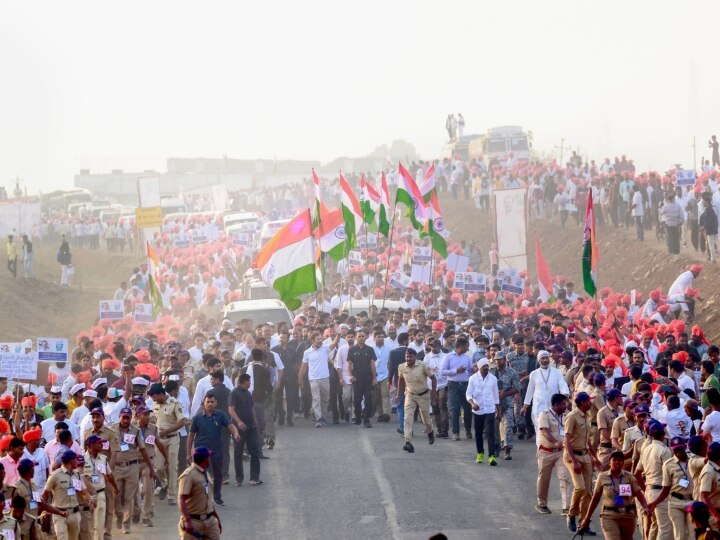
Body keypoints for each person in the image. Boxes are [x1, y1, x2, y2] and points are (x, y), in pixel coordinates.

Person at [580, 450, 649, 539]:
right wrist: (586, 518)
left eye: (620, 460)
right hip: (609, 516)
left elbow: (639, 494)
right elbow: (595, 498)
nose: (617, 462)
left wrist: (645, 507)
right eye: (614, 460)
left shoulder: (629, 477)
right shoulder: (602, 477)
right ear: (609, 462)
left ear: (623, 463)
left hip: (628, 516)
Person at [187, 392, 240, 505]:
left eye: (212, 402)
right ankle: (203, 497)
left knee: (218, 474)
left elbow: (230, 426)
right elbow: (191, 436)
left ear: (216, 403)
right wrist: (188, 453)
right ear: (203, 403)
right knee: (202, 475)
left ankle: (217, 496)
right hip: (201, 450)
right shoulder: (197, 418)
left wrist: (235, 433)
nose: (210, 404)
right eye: (208, 402)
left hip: (217, 449)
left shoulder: (220, 415)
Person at [111, 406, 156, 534]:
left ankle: (127, 523)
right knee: (117, 495)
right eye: (123, 417)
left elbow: (143, 449)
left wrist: (151, 468)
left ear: (131, 418)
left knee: (129, 497)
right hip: (117, 467)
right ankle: (119, 514)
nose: (125, 420)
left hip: (132, 467)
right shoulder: (112, 429)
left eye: (128, 418)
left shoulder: (136, 431)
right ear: (119, 417)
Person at [564, 392, 601, 533]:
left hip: (585, 456)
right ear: (582, 403)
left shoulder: (586, 416)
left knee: (588, 493)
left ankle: (583, 524)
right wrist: (574, 461)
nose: (590, 403)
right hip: (573, 456)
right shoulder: (572, 417)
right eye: (588, 401)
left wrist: (595, 458)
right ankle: (572, 514)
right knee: (579, 487)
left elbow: (587, 441)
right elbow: (566, 440)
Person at [646, 436, 694, 540]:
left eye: (680, 449)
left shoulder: (692, 461)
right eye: (675, 450)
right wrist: (655, 502)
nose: (678, 452)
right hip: (676, 503)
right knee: (679, 536)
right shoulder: (668, 465)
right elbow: (666, 488)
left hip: (691, 501)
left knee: (692, 535)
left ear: (685, 447)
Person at [149, 383, 188, 506]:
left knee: (172, 466)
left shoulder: (175, 404)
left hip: (172, 438)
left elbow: (182, 421)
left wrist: (168, 431)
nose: (154, 400)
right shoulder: (154, 405)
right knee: (159, 467)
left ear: (161, 394)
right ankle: (164, 483)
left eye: (155, 397)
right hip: (159, 440)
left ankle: (171, 495)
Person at [535, 394, 572, 515]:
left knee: (565, 477)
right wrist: (555, 442)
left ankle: (566, 507)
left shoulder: (566, 415)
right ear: (555, 405)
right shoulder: (544, 415)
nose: (565, 406)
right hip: (546, 452)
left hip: (561, 452)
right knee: (544, 479)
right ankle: (542, 504)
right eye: (562, 404)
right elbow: (545, 432)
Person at [636, 420, 673, 540]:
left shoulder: (646, 449)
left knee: (655, 525)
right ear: (663, 435)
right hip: (661, 492)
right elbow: (671, 474)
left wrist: (645, 488)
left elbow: (637, 473)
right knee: (665, 529)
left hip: (649, 489)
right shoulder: (665, 450)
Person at [42, 450, 90, 540]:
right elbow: (45, 495)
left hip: (74, 514)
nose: (77, 462)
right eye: (75, 460)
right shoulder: (55, 476)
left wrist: (89, 500)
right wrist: (45, 509)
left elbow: (82, 493)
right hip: (59, 514)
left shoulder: (77, 475)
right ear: (71, 461)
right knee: (62, 538)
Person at [397, 348, 437, 453]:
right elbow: (400, 380)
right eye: (407, 356)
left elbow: (433, 378)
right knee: (408, 418)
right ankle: (408, 442)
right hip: (410, 395)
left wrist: (433, 393)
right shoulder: (401, 367)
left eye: (410, 356)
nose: (408, 358)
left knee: (425, 419)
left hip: (423, 395)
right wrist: (399, 394)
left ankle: (430, 432)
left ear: (415, 357)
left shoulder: (422, 365)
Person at [177, 447, 221, 540]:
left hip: (210, 521)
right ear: (205, 460)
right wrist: (187, 521)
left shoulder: (205, 473)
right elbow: (182, 499)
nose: (210, 459)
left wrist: (217, 519)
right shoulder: (188, 475)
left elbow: (208, 499)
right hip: (194, 522)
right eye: (208, 457)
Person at [297, 331, 339, 427]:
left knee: (325, 399)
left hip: (325, 378)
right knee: (316, 398)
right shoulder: (307, 352)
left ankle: (323, 417)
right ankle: (319, 418)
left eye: (321, 339)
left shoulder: (325, 349)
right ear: (312, 340)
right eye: (318, 339)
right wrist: (300, 378)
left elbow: (334, 344)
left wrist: (338, 335)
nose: (320, 341)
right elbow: (304, 366)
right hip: (313, 379)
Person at [228, 374, 262, 486]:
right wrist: (238, 422)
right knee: (238, 452)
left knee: (255, 451)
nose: (250, 383)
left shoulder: (248, 393)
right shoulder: (234, 393)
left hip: (251, 427)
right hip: (239, 429)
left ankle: (254, 477)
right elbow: (231, 410)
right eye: (249, 381)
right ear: (244, 381)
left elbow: (252, 409)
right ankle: (239, 478)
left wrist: (255, 424)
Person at [83, 435, 119, 540]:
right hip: (86, 496)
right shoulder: (81, 459)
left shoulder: (103, 459)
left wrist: (115, 487)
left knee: (99, 523)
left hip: (100, 493)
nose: (102, 444)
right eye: (99, 443)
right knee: (86, 524)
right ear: (91, 445)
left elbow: (109, 475)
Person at [466, 358, 500, 466]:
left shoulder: (493, 379)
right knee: (478, 432)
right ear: (479, 367)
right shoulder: (473, 379)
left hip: (490, 409)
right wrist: (472, 404)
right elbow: (468, 394)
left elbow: (496, 395)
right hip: (478, 409)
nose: (486, 368)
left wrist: (498, 410)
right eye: (484, 366)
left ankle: (491, 456)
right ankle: (480, 453)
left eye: (487, 366)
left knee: (490, 432)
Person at [439, 338, 473, 441]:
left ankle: (468, 430)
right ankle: (455, 432)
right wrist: (456, 371)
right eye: (466, 346)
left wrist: (473, 371)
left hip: (465, 384)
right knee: (455, 409)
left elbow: (471, 372)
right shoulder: (448, 357)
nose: (468, 349)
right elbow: (442, 371)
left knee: (467, 408)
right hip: (453, 384)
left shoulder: (467, 358)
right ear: (461, 346)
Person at [347, 330, 377, 428]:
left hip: (368, 379)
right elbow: (349, 364)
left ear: (366, 337)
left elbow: (372, 364)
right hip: (357, 379)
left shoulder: (370, 349)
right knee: (357, 400)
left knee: (368, 399)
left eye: (363, 336)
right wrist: (350, 375)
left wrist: (374, 378)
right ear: (356, 337)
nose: (361, 338)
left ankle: (366, 419)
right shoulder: (352, 350)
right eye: (359, 336)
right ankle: (358, 416)